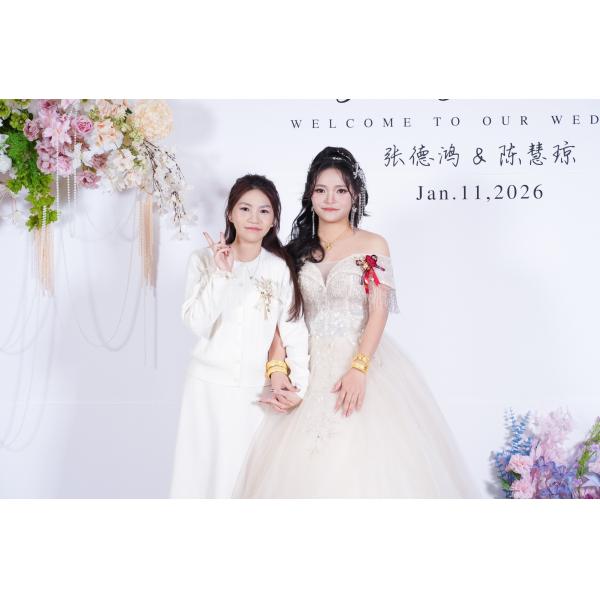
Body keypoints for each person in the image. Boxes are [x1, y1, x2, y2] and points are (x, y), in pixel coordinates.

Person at [234, 147, 479, 498]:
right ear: (310, 194)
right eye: (321, 190)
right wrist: (277, 369)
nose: (330, 199)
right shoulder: (293, 251)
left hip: (360, 360)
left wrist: (359, 368)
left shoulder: (373, 244)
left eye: (340, 190)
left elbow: (378, 310)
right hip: (305, 364)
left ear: (355, 195)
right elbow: (281, 317)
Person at [170, 174, 309, 498]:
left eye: (264, 210)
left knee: (246, 482)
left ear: (274, 220)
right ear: (230, 214)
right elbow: (197, 323)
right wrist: (222, 275)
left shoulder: (278, 268)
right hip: (206, 389)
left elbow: (294, 330)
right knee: (199, 481)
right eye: (245, 208)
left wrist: (299, 387)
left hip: (256, 393)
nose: (254, 218)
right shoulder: (203, 260)